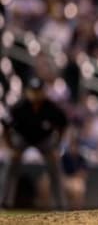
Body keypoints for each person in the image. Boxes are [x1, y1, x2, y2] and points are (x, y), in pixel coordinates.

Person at [0, 77, 68, 210]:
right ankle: (4, 203)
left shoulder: (51, 107)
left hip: (44, 139)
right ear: (28, 91)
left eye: (38, 91)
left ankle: (60, 206)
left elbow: (63, 126)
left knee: (55, 165)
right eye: (33, 91)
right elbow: (6, 128)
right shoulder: (19, 106)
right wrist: (11, 148)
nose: (35, 94)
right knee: (11, 164)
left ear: (44, 92)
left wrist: (56, 147)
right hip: (22, 138)